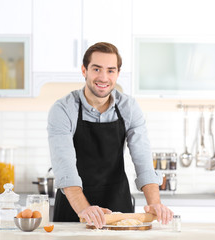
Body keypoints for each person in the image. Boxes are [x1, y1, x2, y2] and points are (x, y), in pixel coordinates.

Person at [47, 42, 173, 228]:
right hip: (74, 208)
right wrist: (84, 209)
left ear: (117, 74)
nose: (103, 77)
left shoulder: (128, 107)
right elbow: (65, 167)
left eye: (111, 70)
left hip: (118, 205)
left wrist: (154, 202)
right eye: (96, 69)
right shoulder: (64, 109)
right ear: (84, 70)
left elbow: (143, 159)